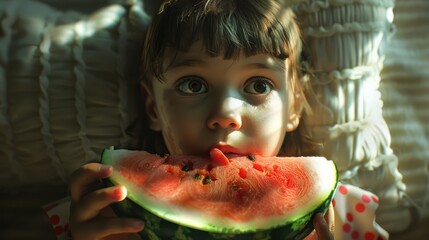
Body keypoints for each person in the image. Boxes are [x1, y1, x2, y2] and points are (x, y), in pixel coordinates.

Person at [45, 0, 387, 239]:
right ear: (153, 108)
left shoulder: (346, 216)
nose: (225, 115)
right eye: (192, 85)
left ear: (294, 107)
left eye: (258, 85)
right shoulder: (105, 214)